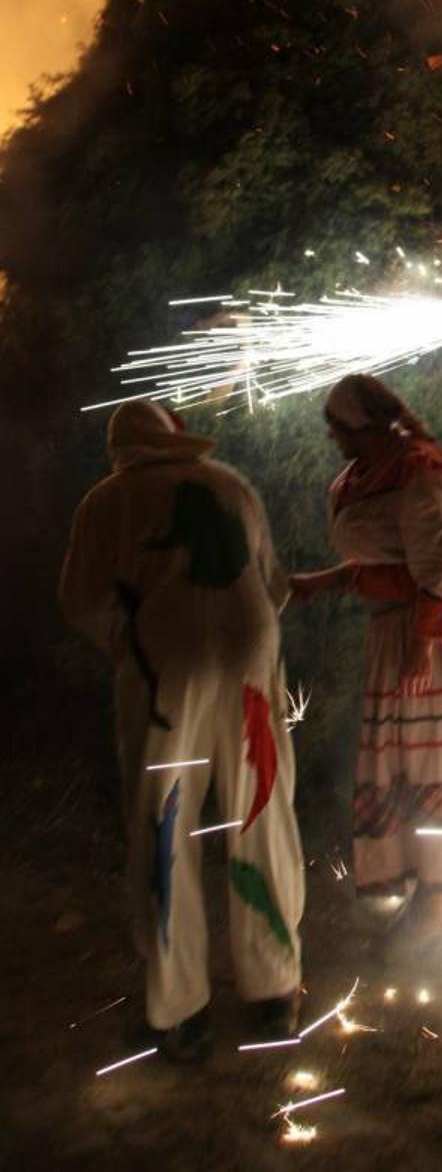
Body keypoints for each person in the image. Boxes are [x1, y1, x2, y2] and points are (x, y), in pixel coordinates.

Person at [59, 400, 304, 1060]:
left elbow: (80, 599)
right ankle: (274, 990)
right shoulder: (231, 483)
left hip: (166, 672)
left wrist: (128, 639)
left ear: (122, 450)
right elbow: (273, 583)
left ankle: (179, 1010)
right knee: (263, 811)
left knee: (164, 824)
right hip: (251, 657)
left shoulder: (106, 499)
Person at [292, 374, 442, 940]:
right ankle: (426, 882)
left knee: (434, 761)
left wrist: (423, 646)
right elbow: (382, 557)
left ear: (366, 425)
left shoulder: (419, 468)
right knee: (404, 761)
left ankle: (439, 897)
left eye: (338, 426)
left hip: (434, 636)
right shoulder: (360, 478)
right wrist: (322, 583)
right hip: (391, 630)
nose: (332, 436)